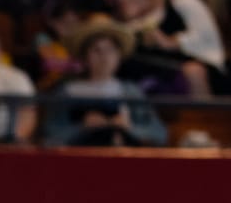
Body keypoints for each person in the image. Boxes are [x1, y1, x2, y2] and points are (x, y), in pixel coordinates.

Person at [100, 0, 227, 98]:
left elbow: (208, 38)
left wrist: (170, 42)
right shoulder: (116, 22)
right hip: (148, 77)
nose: (108, 1)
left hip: (194, 68)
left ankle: (204, 118)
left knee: (193, 71)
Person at [45, 17, 168, 147]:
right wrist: (82, 127)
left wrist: (129, 128)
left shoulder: (130, 91)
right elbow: (50, 134)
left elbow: (159, 133)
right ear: (85, 56)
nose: (104, 57)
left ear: (119, 55)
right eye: (96, 50)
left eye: (110, 50)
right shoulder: (68, 92)